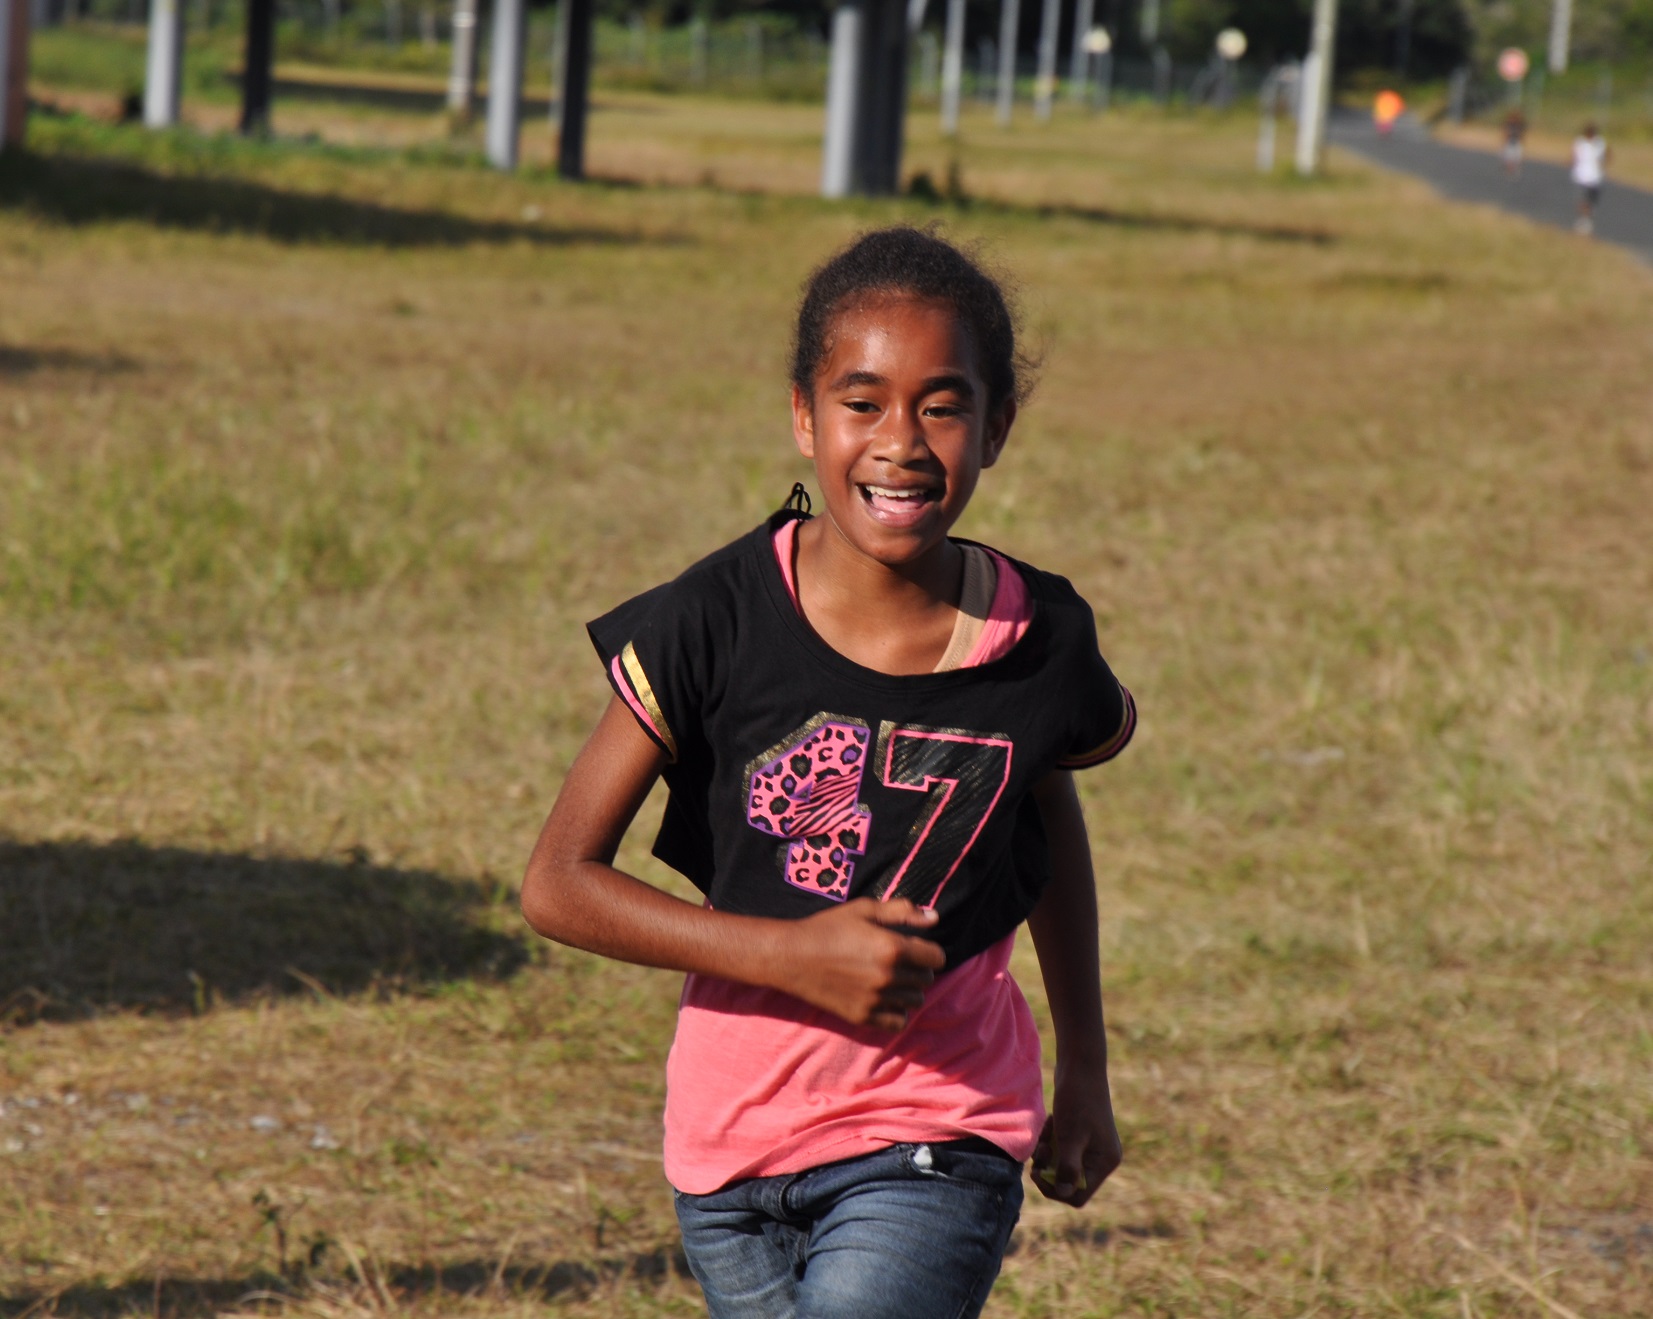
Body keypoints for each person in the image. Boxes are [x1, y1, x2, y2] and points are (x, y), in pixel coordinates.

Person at [520, 226, 1137, 1319]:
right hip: (729, 1156)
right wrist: (788, 954)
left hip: (937, 1132)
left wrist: (1084, 1066)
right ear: (804, 416)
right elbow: (558, 882)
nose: (901, 442)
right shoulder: (711, 620)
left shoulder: (1039, 641)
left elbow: (1045, 822)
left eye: (942, 406)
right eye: (863, 402)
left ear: (998, 426)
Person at [1572, 121, 1609, 234]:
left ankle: (1587, 219)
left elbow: (1607, 155)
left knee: (1591, 201)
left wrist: (1603, 164)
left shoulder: (1599, 143)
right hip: (1581, 176)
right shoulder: (1580, 143)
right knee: (1583, 200)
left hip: (1594, 177)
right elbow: (1575, 156)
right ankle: (1584, 220)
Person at [1502, 107, 1526, 179]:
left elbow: (1521, 135)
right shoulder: (1509, 124)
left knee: (1517, 157)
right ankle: (1510, 170)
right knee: (1509, 157)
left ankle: (1514, 169)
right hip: (1510, 142)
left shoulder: (1520, 125)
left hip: (1516, 142)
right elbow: (1505, 134)